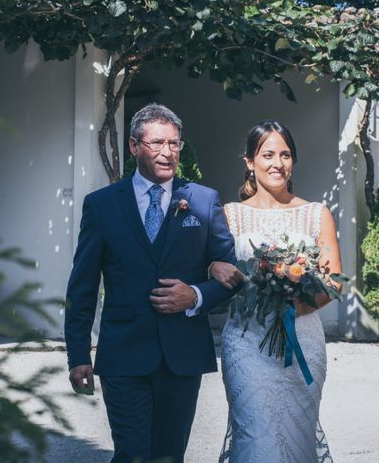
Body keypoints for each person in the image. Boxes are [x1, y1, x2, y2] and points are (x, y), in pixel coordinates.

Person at [64, 103, 236, 463]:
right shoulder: (102, 205)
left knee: (169, 457)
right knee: (133, 455)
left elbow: (231, 276)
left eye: (174, 144)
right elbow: (82, 285)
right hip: (124, 355)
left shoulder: (203, 202)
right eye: (157, 143)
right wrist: (78, 354)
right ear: (133, 146)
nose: (167, 152)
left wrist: (195, 296)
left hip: (182, 356)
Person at [209, 120, 341, 463]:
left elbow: (334, 279)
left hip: (302, 343)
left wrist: (295, 303)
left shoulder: (315, 214)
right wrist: (213, 269)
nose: (277, 163)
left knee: (297, 437)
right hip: (247, 343)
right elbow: (213, 268)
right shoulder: (230, 216)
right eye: (267, 154)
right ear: (250, 162)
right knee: (254, 436)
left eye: (285, 154)